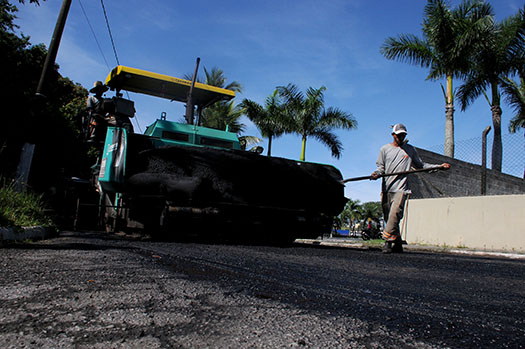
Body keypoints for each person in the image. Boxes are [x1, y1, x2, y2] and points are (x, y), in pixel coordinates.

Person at [371, 123, 450, 253]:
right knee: (388, 216)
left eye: (403, 135)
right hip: (386, 188)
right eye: (398, 135)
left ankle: (388, 243)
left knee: (394, 214)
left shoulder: (410, 150)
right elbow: (381, 168)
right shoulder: (384, 149)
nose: (401, 137)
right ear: (393, 135)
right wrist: (376, 174)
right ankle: (397, 243)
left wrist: (438, 167)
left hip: (402, 188)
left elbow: (421, 165)